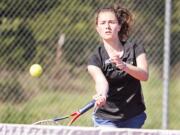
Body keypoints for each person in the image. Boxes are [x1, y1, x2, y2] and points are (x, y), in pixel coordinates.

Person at [87, 4, 149, 128]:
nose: (107, 26)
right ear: (97, 28)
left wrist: (125, 66)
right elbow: (101, 82)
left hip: (134, 116)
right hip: (105, 119)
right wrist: (102, 95)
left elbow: (144, 75)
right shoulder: (95, 58)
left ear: (119, 26)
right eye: (103, 23)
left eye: (111, 22)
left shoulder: (135, 49)